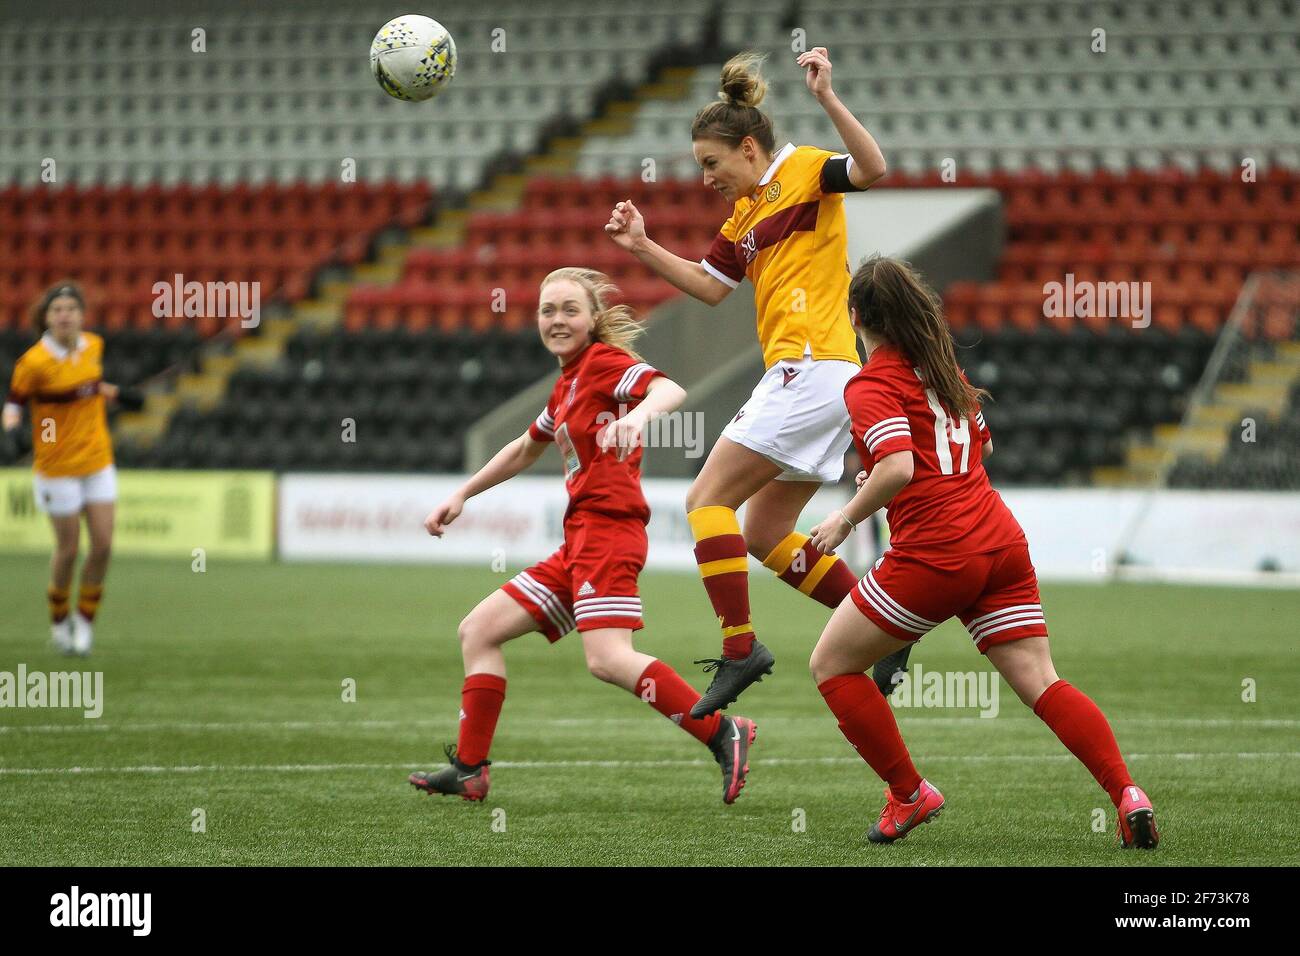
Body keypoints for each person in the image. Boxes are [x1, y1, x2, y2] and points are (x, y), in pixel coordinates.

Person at [805, 256, 1159, 849]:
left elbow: (896, 466)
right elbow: (981, 448)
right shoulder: (944, 373)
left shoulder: (869, 384)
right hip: (1000, 542)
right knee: (1043, 682)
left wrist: (844, 518)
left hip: (938, 554)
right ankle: (1127, 793)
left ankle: (910, 794)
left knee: (832, 665)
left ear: (856, 316)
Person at [605, 47, 901, 718]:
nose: (706, 178)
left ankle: (741, 647)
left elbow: (874, 168)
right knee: (766, 531)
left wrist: (828, 97)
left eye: (711, 164)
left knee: (706, 499)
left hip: (811, 366)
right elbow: (710, 288)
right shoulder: (741, 220)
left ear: (747, 148)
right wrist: (644, 247)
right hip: (822, 378)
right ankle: (884, 626)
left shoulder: (802, 169)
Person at [409, 268, 758, 804]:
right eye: (548, 310)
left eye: (570, 309)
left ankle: (721, 733)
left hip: (609, 533)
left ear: (594, 319)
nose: (557, 320)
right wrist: (464, 493)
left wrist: (638, 418)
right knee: (478, 631)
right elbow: (526, 447)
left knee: (607, 659)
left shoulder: (604, 365)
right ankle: (471, 769)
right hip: (580, 542)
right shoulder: (568, 383)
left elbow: (669, 389)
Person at [2, 282, 140, 656]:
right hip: (56, 465)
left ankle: (85, 622)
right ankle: (59, 620)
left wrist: (119, 394)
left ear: (81, 315)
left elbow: (90, 385)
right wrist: (12, 433)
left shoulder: (93, 346)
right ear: (47, 318)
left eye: (71, 309)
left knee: (104, 544)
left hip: (96, 458)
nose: (64, 315)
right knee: (68, 549)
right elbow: (13, 406)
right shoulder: (33, 363)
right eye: (57, 309)